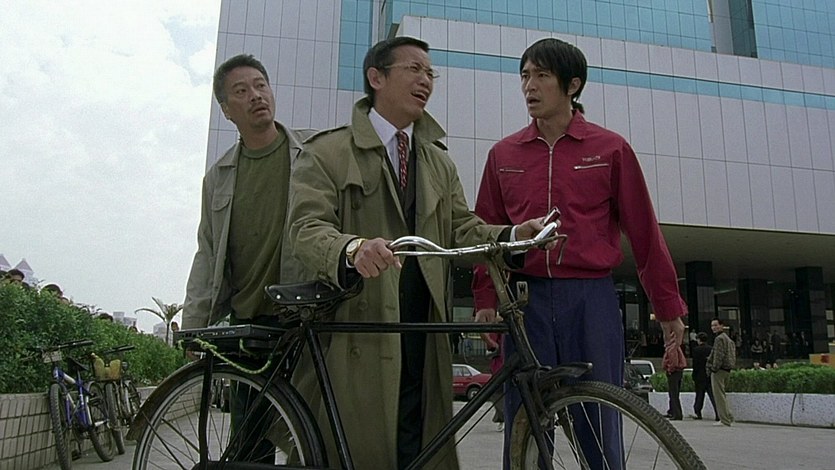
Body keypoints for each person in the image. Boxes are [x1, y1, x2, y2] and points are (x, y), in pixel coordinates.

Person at [285, 36, 552, 470]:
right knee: (355, 442)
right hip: (358, 323)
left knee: (418, 436)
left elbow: (462, 229)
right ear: (376, 78)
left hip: (424, 325)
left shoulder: (437, 161)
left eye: (431, 73)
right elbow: (305, 229)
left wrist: (513, 234)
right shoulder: (327, 152)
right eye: (414, 69)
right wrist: (352, 248)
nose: (425, 80)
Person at [470, 37, 688, 467]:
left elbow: (645, 233)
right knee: (525, 425)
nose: (529, 86)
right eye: (524, 76)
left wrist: (668, 309)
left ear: (572, 85)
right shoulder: (503, 154)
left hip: (591, 301)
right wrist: (485, 300)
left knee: (598, 425)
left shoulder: (610, 149)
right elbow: (487, 232)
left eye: (542, 76)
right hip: (525, 302)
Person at [181, 53, 314, 462]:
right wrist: (194, 325)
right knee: (250, 446)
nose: (256, 95)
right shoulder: (218, 177)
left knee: (314, 436)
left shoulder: (312, 153)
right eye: (241, 91)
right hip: (247, 329)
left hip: (305, 321)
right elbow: (208, 252)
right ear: (227, 110)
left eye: (261, 85)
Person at [707, 318, 736, 426]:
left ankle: (724, 420)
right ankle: (729, 416)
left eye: (716, 325)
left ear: (721, 325)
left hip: (719, 370)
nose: (714, 328)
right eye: (712, 326)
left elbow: (718, 355)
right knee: (722, 395)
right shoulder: (728, 339)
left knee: (719, 396)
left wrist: (713, 368)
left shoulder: (719, 339)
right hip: (727, 369)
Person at [689, 332, 718, 420]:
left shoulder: (696, 350)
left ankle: (698, 412)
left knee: (699, 395)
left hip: (699, 375)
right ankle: (718, 413)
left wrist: (694, 375)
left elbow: (695, 364)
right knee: (712, 395)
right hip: (709, 375)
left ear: (699, 340)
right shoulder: (711, 349)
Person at [482, 330, 505, 432]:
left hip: (499, 366)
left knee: (496, 393)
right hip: (504, 364)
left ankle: (502, 417)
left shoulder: (497, 327)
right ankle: (502, 417)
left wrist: (488, 340)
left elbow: (491, 345)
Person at [662, 334, 685, 420]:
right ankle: (672, 411)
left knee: (673, 394)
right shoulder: (676, 346)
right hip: (678, 372)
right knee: (674, 393)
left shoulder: (672, 347)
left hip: (674, 372)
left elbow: (673, 360)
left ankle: (677, 414)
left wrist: (670, 369)